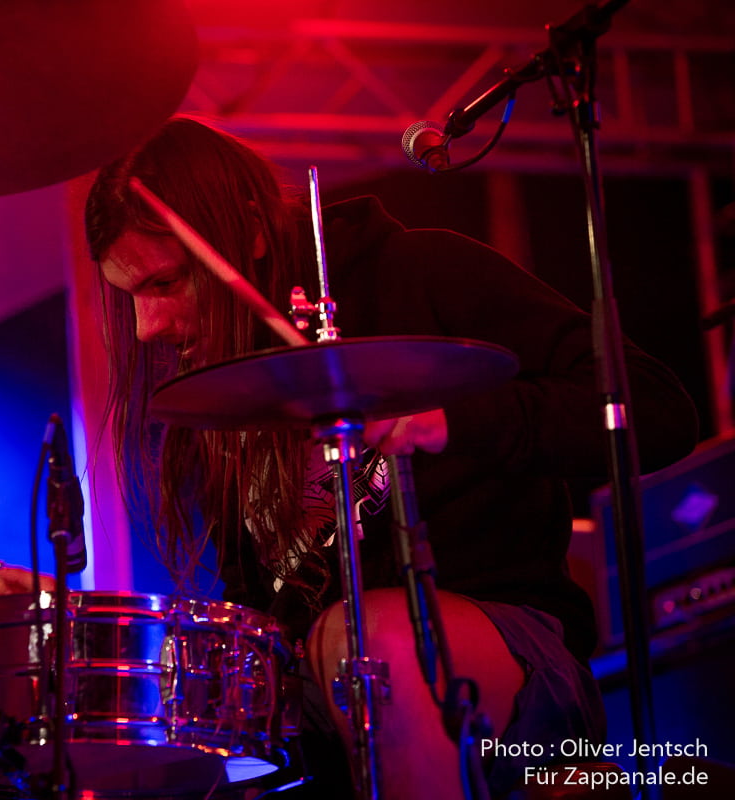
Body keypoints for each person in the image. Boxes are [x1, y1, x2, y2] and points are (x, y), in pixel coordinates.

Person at [55, 115, 699, 800]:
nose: (146, 327)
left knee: (372, 639)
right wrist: (91, 637)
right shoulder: (225, 394)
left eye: (164, 283)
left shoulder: (421, 272)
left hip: (515, 657)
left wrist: (449, 421)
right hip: (325, 688)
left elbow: (657, 410)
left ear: (249, 232)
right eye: (130, 296)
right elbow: (259, 621)